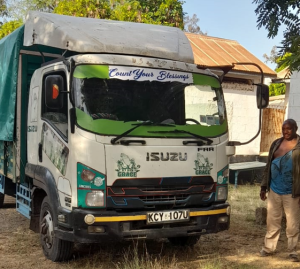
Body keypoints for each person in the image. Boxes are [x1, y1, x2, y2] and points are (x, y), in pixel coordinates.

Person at [260, 119, 300, 262]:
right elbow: (268, 166)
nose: (285, 131)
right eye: (283, 128)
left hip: (293, 191)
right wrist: (264, 186)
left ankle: (293, 251)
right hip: (274, 189)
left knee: (292, 223)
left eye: (289, 129)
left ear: (296, 128)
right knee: (272, 220)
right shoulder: (276, 143)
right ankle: (268, 248)